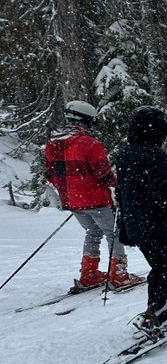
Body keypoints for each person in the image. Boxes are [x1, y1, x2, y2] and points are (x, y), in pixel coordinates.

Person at [44, 100, 142, 289]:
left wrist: (71, 191)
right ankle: (119, 275)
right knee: (113, 234)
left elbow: (51, 174)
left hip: (72, 200)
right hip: (96, 199)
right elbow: (103, 175)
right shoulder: (90, 144)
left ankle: (89, 273)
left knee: (92, 232)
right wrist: (118, 184)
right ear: (87, 121)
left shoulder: (52, 144)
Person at [115, 106, 167, 333]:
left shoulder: (124, 155)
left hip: (136, 225)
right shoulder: (154, 155)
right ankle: (159, 312)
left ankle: (155, 309)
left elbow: (120, 193)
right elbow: (164, 193)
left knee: (159, 267)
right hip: (156, 224)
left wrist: (124, 226)